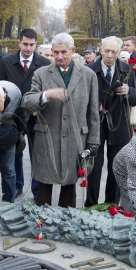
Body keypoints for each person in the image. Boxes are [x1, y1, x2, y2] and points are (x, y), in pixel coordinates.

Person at [22, 33, 100, 208]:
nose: (59, 57)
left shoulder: (88, 75)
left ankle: (67, 223)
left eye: (64, 52)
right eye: (55, 52)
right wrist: (47, 95)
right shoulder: (41, 74)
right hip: (47, 139)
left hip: (76, 138)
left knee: (69, 186)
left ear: (72, 50)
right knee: (43, 187)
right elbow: (27, 102)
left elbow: (93, 111)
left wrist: (94, 140)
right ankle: (42, 224)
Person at [0, 29, 51, 198]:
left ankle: (36, 189)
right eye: (25, 44)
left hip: (37, 116)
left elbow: (46, 89)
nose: (28, 48)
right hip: (12, 117)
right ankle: (17, 186)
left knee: (37, 154)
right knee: (15, 154)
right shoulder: (6, 62)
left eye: (32, 45)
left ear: (36, 44)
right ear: (19, 43)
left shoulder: (44, 63)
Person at [86, 37, 135, 207]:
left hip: (119, 125)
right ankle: (91, 204)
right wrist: (94, 105)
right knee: (94, 167)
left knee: (117, 167)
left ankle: (111, 205)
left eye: (114, 52)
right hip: (96, 124)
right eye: (106, 51)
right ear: (100, 50)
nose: (109, 55)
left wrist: (129, 91)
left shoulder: (127, 70)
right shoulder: (89, 70)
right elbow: (80, 98)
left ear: (119, 52)